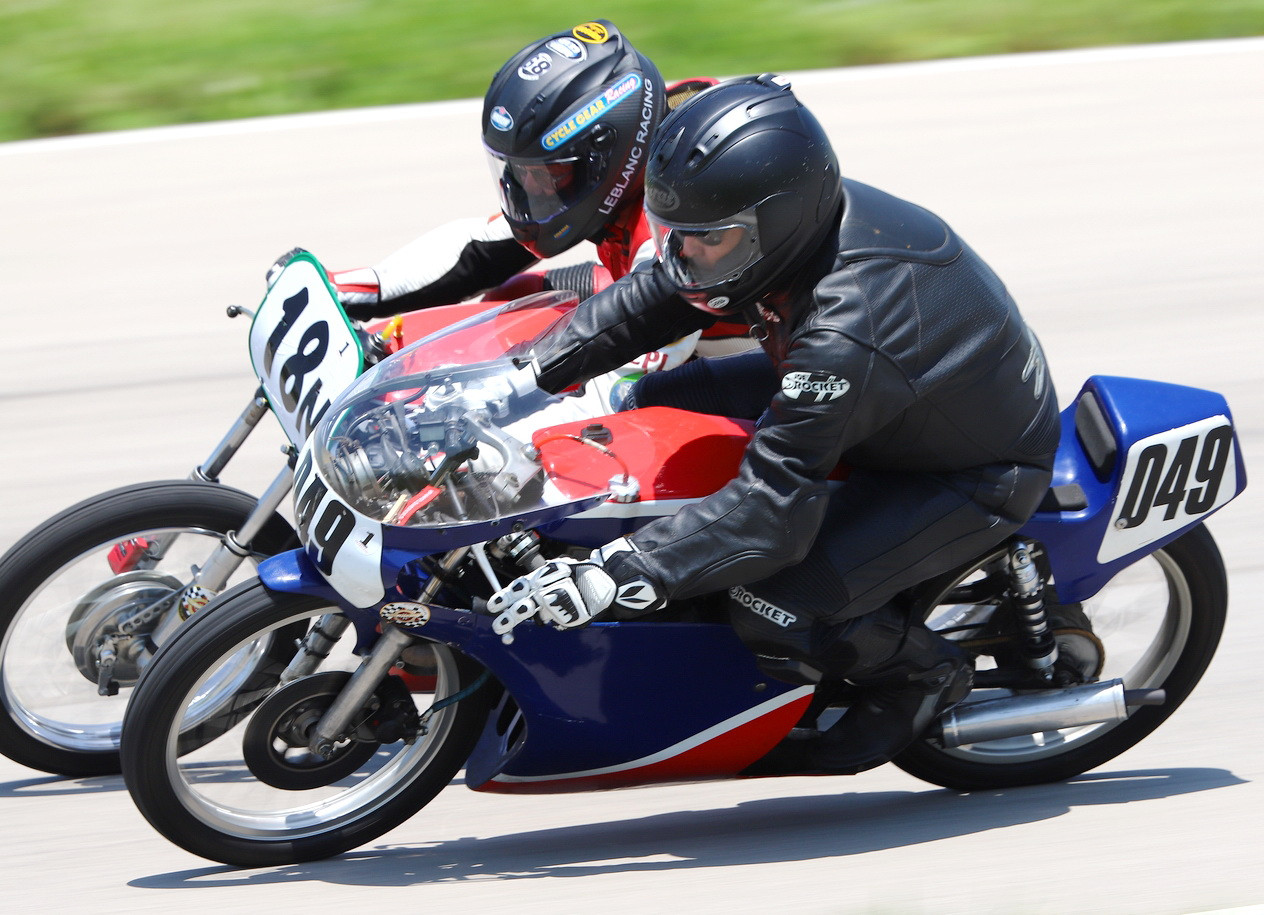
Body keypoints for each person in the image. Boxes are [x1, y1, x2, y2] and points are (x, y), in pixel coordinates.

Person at [486, 74, 1062, 775]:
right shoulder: (767, 236)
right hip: (896, 394)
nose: (685, 256)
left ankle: (921, 677)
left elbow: (767, 515)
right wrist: (523, 378)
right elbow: (652, 297)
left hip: (967, 468)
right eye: (676, 235)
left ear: (776, 224)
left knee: (770, 598)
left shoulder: (842, 332)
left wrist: (616, 573)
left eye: (709, 242)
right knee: (653, 399)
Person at [316, 20, 752, 361]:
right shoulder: (645, 132)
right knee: (510, 302)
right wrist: (351, 290)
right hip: (663, 314)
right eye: (520, 172)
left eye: (547, 173)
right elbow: (484, 248)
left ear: (606, 153)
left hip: (747, 364)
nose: (529, 188)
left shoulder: (682, 216)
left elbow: (636, 361)